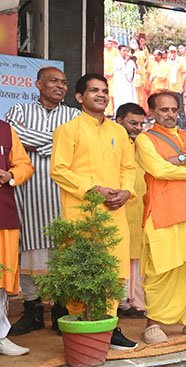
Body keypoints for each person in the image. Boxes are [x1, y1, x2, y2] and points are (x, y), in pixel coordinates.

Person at [50, 73, 138, 350]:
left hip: (114, 210)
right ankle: (83, 328)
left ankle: (109, 326)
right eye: (94, 90)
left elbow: (128, 167)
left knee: (114, 269)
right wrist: (93, 189)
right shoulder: (68, 130)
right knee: (82, 269)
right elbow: (59, 170)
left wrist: (126, 191)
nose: (101, 95)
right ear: (79, 97)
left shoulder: (118, 132)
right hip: (82, 211)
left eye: (104, 90)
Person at [4, 67, 79, 336]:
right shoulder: (19, 110)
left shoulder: (74, 115)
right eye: (53, 81)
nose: (60, 86)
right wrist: (58, 142)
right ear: (38, 84)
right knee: (29, 251)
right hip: (28, 194)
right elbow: (16, 137)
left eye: (64, 82)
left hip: (64, 194)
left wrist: (39, 143)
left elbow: (77, 145)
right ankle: (32, 311)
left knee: (63, 252)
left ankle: (60, 310)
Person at [136, 91, 186, 344]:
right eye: (164, 110)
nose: (170, 114)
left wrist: (183, 159)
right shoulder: (145, 140)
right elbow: (159, 169)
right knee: (161, 269)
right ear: (153, 112)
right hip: (162, 212)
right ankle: (153, 322)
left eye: (173, 110)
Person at [0, 120, 35, 356]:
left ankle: (1, 336)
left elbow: (25, 165)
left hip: (2, 213)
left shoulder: (5, 130)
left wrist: (10, 174)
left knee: (0, 279)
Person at [114, 102, 148, 317]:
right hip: (117, 207)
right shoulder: (114, 141)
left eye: (141, 124)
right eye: (132, 123)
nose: (137, 128)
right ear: (119, 120)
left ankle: (128, 302)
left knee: (134, 258)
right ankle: (119, 303)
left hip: (139, 209)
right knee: (118, 255)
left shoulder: (143, 144)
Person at [112, 45, 137, 111]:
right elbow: (117, 68)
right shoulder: (116, 60)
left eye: (127, 51)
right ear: (119, 51)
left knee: (130, 97)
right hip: (120, 83)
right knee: (120, 98)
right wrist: (125, 61)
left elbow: (136, 70)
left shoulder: (131, 61)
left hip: (129, 84)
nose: (126, 52)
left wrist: (134, 61)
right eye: (124, 51)